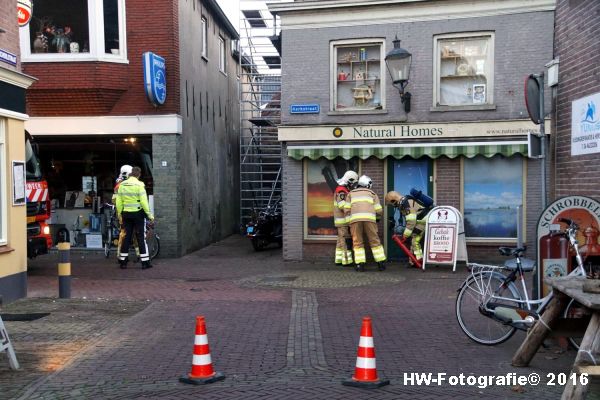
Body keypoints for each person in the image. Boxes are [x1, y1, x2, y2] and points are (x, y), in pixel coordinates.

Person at [344, 175, 386, 272]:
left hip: (355, 221)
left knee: (357, 242)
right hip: (370, 220)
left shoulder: (350, 194)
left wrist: (349, 223)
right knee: (374, 240)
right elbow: (379, 210)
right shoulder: (372, 194)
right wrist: (377, 219)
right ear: (368, 184)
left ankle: (360, 265)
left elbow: (346, 210)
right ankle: (381, 264)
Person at [116, 166, 154, 269]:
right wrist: (149, 215)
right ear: (138, 175)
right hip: (138, 215)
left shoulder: (122, 185)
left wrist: (120, 213)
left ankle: (123, 262)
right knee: (140, 237)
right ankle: (145, 263)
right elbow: (144, 202)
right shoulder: (139, 185)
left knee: (127, 237)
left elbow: (119, 202)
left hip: (126, 214)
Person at [384, 190, 433, 266]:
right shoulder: (404, 202)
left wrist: (405, 235)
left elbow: (411, 221)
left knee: (415, 240)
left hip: (423, 221)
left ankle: (419, 260)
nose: (393, 206)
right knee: (413, 239)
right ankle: (414, 261)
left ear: (394, 200)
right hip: (420, 221)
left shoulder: (405, 203)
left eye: (392, 204)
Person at [333, 170, 358, 267]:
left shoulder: (343, 189)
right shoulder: (342, 191)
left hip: (341, 220)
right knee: (345, 241)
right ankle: (347, 261)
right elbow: (342, 205)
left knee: (340, 240)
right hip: (343, 220)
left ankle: (339, 260)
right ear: (349, 180)